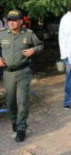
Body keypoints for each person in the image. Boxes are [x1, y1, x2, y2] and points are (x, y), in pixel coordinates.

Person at [0, 10, 43, 142]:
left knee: (22, 101)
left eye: (14, 20)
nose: (11, 22)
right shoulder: (2, 34)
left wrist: (33, 50)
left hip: (23, 72)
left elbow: (40, 45)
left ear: (20, 21)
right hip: (7, 74)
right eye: (9, 20)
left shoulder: (28, 34)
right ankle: (15, 121)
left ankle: (21, 128)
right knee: (11, 102)